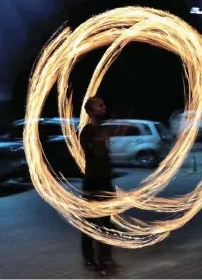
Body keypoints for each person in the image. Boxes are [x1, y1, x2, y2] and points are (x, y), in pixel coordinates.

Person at [79, 96, 120, 276]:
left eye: (104, 104)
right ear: (91, 111)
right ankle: (89, 259)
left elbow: (105, 159)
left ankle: (105, 259)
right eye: (100, 106)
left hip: (105, 185)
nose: (104, 107)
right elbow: (97, 153)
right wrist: (103, 138)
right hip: (93, 186)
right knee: (91, 226)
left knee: (108, 225)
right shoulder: (87, 132)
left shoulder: (101, 130)